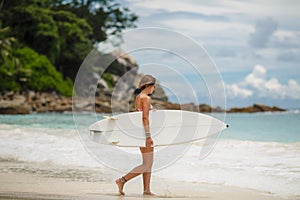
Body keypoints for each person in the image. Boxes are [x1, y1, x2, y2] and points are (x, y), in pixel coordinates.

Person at [115, 74, 156, 196]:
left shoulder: (138, 97)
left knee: (147, 163)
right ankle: (122, 180)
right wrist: (148, 136)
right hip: (144, 133)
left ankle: (146, 190)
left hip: (139, 132)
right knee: (147, 164)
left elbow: (139, 115)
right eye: (154, 86)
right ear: (149, 85)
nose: (154, 89)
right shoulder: (147, 99)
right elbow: (144, 118)